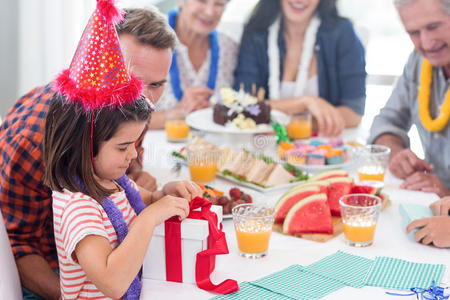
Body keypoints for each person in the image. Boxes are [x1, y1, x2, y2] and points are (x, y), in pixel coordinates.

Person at [0, 6, 176, 300]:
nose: (144, 98)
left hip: (111, 255)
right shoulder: (31, 139)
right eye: (133, 81)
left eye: (156, 85)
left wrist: (147, 189)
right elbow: (19, 246)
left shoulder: (130, 109)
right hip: (50, 271)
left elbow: (122, 177)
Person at [233, 0, 366, 137]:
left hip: (321, 149)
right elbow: (241, 106)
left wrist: (285, 124)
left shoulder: (342, 32)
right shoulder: (256, 34)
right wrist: (305, 102)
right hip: (263, 148)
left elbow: (354, 113)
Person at [368, 0, 450, 197]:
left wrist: (446, 195)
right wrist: (395, 153)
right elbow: (387, 121)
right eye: (413, 32)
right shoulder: (419, 61)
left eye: (433, 27)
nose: (426, 43)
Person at [149, 0, 238, 129]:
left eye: (219, 4)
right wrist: (175, 113)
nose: (210, 12)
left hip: (215, 147)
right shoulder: (147, 39)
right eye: (202, 1)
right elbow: (118, 122)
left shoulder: (229, 47)